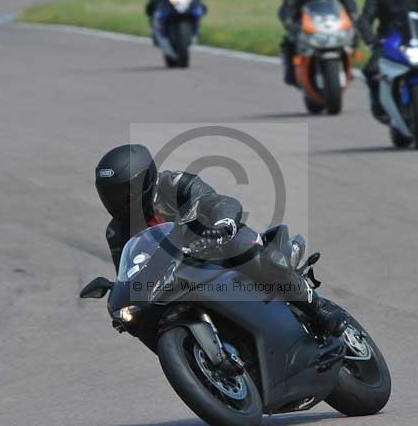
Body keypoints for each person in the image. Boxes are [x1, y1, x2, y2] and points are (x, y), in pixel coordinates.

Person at [95, 144, 349, 337]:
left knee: (249, 252)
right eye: (108, 195)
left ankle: (318, 307)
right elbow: (127, 272)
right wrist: (120, 299)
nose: (115, 202)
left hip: (217, 245)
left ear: (144, 182)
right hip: (177, 276)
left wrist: (223, 224)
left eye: (122, 193)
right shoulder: (116, 231)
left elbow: (215, 202)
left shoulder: (174, 183)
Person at [278, 0, 361, 86]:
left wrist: (353, 14)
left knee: (353, 34)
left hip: (329, 18)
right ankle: (291, 72)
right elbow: (288, 5)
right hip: (304, 20)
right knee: (289, 41)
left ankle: (348, 65)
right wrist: (289, 22)